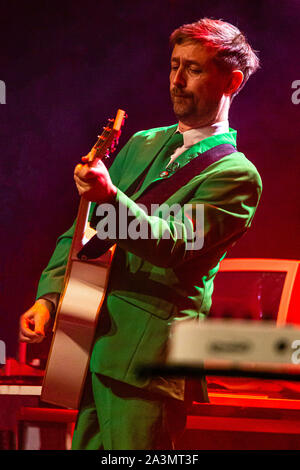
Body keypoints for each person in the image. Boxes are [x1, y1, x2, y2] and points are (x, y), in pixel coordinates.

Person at [19, 18, 262, 450]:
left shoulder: (237, 176)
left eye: (195, 69)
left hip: (150, 362)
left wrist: (110, 195)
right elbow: (86, 227)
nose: (178, 81)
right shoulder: (144, 141)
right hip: (89, 340)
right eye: (174, 66)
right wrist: (51, 295)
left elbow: (173, 243)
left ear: (233, 81)